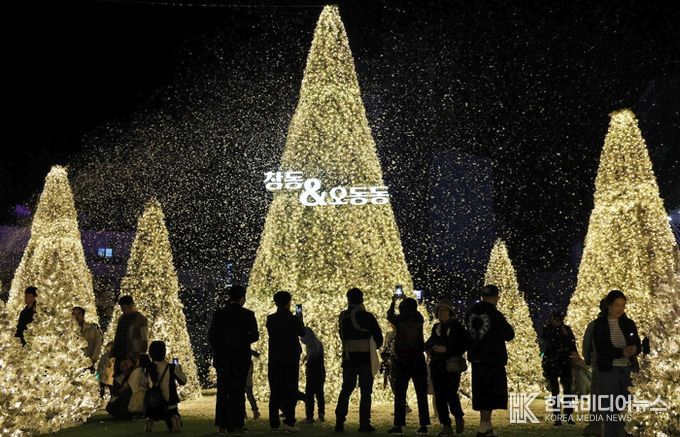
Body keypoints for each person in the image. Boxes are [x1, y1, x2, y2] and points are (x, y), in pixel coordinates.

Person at [208, 285, 259, 434]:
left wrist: (221, 347)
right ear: (242, 298)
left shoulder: (219, 314)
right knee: (238, 391)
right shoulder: (248, 314)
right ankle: (237, 423)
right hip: (241, 358)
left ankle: (222, 424)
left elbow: (211, 336)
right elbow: (255, 336)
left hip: (223, 358)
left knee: (223, 391)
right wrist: (241, 340)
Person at [465, 284, 515, 437]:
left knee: (481, 392)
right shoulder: (495, 314)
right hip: (492, 359)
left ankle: (487, 427)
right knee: (490, 393)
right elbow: (509, 334)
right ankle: (483, 426)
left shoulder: (470, 313)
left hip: (476, 359)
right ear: (495, 297)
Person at [591, 290, 641, 437]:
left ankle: (628, 434)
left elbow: (637, 343)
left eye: (623, 306)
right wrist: (621, 352)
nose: (620, 309)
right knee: (611, 409)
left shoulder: (629, 323)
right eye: (617, 305)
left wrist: (635, 349)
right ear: (609, 305)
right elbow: (602, 348)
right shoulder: (599, 324)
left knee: (628, 407)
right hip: (609, 370)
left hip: (628, 370)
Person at [335, 287, 383, 433]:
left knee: (346, 389)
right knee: (366, 392)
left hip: (349, 358)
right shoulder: (367, 316)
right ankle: (364, 423)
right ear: (362, 299)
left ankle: (339, 421)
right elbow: (379, 339)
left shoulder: (343, 316)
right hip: (365, 359)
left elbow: (342, 335)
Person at [386, 297, 430, 435]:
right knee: (421, 394)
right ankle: (423, 425)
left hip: (402, 360)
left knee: (400, 394)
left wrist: (393, 301)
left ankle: (399, 425)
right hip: (418, 359)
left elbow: (389, 316)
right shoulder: (419, 318)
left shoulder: (399, 319)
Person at [425, 298, 468, 436]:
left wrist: (447, 350)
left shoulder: (457, 327)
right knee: (439, 397)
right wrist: (432, 348)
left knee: (451, 393)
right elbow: (429, 342)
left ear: (450, 312)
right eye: (440, 311)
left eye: (445, 310)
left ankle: (458, 416)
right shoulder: (436, 327)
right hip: (437, 365)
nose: (442, 313)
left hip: (451, 365)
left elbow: (463, 345)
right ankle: (446, 425)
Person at [266, 291, 306, 432]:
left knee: (275, 391)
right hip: (290, 358)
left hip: (275, 358)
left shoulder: (271, 319)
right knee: (290, 390)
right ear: (289, 302)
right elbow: (302, 333)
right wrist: (300, 319)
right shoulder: (294, 319)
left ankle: (274, 423)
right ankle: (289, 421)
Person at [540, 311, 577, 426]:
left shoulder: (566, 329)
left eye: (558, 320)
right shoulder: (548, 330)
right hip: (552, 362)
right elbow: (547, 341)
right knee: (555, 391)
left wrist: (565, 334)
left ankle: (568, 415)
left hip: (564, 361)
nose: (556, 322)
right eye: (554, 320)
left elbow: (572, 344)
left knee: (567, 390)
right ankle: (557, 416)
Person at [144, 340, 187, 433]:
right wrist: (179, 369)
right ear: (164, 352)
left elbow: (145, 383)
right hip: (169, 402)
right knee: (172, 414)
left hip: (154, 402)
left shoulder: (148, 367)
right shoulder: (171, 367)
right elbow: (183, 381)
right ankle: (174, 418)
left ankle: (149, 420)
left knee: (152, 412)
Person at [582, 299, 606, 436]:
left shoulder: (594, 325)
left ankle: (596, 427)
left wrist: (588, 359)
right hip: (608, 365)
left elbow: (586, 344)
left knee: (598, 398)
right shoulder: (596, 325)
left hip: (599, 364)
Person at [111, 295, 149, 378]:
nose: (123, 311)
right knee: (118, 378)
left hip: (132, 356)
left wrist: (139, 355)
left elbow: (144, 338)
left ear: (131, 305)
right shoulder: (122, 318)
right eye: (122, 308)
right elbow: (118, 335)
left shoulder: (140, 320)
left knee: (129, 378)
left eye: (125, 308)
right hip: (119, 354)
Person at [301, 326, 326, 424]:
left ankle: (309, 416)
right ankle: (321, 414)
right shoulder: (318, 343)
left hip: (313, 373)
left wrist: (306, 362)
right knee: (319, 393)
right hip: (320, 372)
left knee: (310, 394)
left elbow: (312, 359)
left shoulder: (311, 345)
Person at [245, 350, 261, 420]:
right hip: (246, 365)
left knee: (248, 392)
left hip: (245, 365)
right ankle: (255, 411)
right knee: (248, 392)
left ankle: (254, 411)